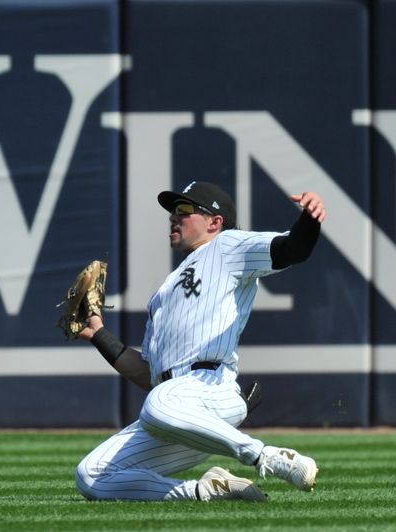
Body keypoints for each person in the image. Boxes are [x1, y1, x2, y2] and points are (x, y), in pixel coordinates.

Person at [74, 180, 326, 502]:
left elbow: (292, 249)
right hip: (178, 414)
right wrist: (98, 335)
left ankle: (266, 457)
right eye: (172, 211)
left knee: (160, 402)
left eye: (183, 210)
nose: (172, 217)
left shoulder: (228, 247)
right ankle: (204, 490)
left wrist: (310, 218)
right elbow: (147, 374)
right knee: (90, 475)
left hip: (210, 387)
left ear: (214, 222)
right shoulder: (162, 294)